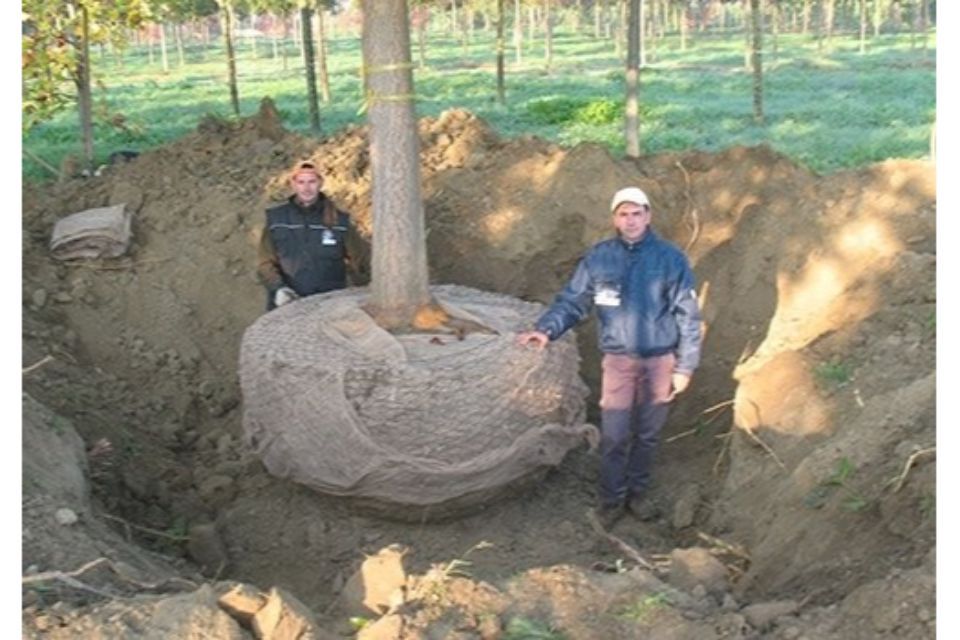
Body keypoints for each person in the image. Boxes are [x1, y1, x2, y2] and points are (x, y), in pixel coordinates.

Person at [516, 187, 702, 527]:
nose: (630, 221)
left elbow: (687, 315)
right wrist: (546, 329)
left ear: (648, 216)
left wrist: (685, 366)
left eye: (636, 214)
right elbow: (573, 301)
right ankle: (611, 499)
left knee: (647, 434)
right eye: (623, 214)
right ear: (614, 218)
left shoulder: (670, 259)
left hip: (660, 362)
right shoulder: (600, 258)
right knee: (615, 434)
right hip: (618, 362)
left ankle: (638, 495)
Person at [257, 161, 368, 310]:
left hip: (329, 303)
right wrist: (278, 288)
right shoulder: (277, 219)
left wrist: (365, 292)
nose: (306, 188)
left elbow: (360, 261)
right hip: (287, 303)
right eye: (301, 182)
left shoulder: (340, 221)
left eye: (312, 182)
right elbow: (265, 263)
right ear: (293, 184)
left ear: (320, 183)